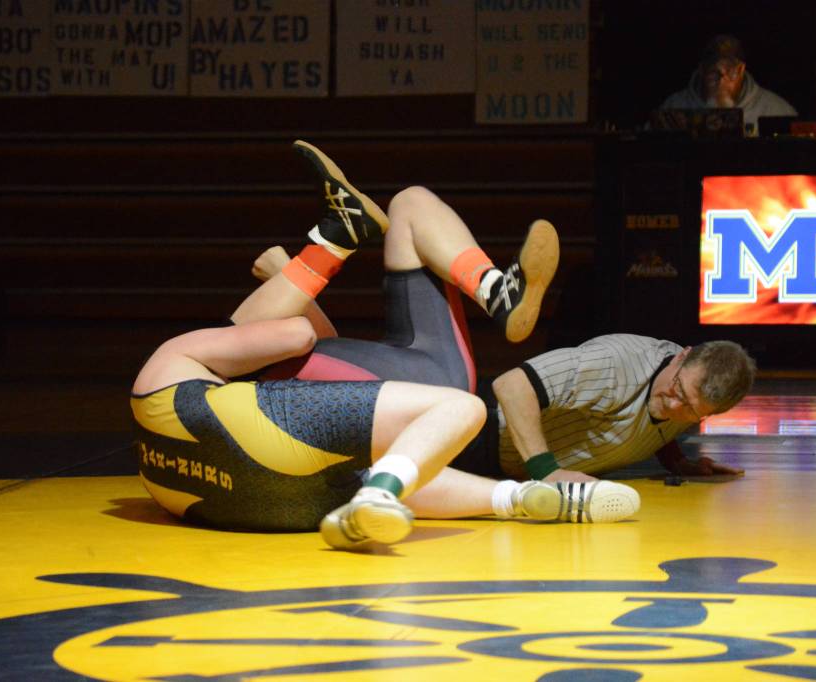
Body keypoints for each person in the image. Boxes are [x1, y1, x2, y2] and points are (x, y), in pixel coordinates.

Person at [131, 141, 640, 552]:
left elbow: (321, 352)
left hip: (246, 504)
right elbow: (299, 336)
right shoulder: (174, 362)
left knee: (409, 207)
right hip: (282, 426)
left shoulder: (176, 414)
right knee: (459, 409)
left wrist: (286, 286)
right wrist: (288, 277)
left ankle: (519, 496)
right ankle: (338, 237)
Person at [241, 147, 757, 486]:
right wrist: (545, 473)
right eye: (678, 390)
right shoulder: (619, 365)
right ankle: (309, 261)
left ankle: (491, 291)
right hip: (452, 410)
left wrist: (676, 457)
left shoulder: (684, 392)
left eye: (690, 409)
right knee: (262, 348)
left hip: (433, 380)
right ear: (681, 355)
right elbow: (513, 385)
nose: (675, 404)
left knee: (410, 204)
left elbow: (658, 415)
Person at [658, 34, 797, 135]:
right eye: (714, 72)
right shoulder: (673, 109)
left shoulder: (775, 110)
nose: (722, 81)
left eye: (730, 72)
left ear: (741, 70)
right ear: (702, 70)